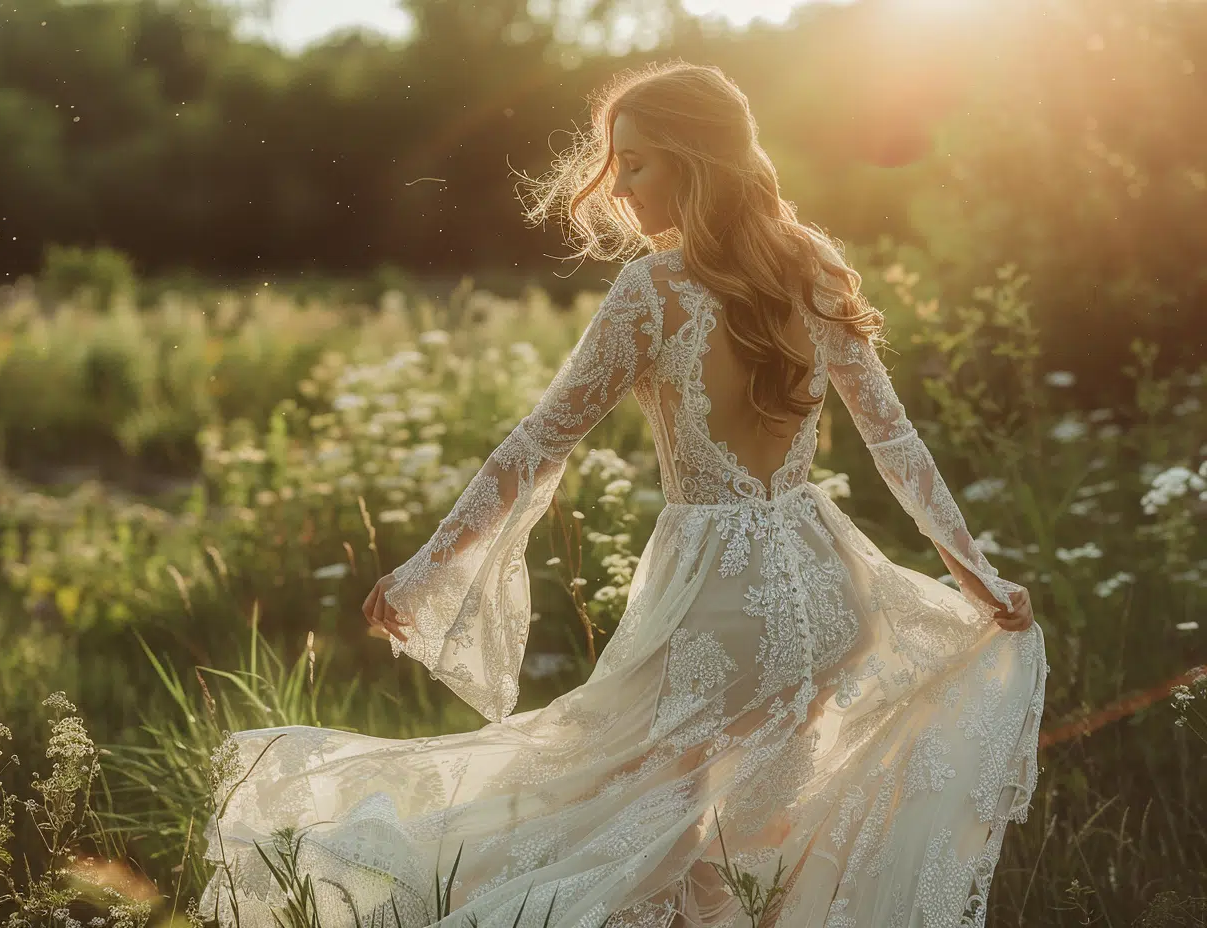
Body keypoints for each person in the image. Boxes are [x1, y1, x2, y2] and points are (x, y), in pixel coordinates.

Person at [199, 60, 1047, 928]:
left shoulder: (653, 293)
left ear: (694, 158)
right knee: (754, 841)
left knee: (636, 829)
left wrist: (427, 568)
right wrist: (973, 572)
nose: (616, 187)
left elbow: (535, 447)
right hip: (829, 596)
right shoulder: (812, 267)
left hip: (713, 603)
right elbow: (894, 444)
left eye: (635, 162)